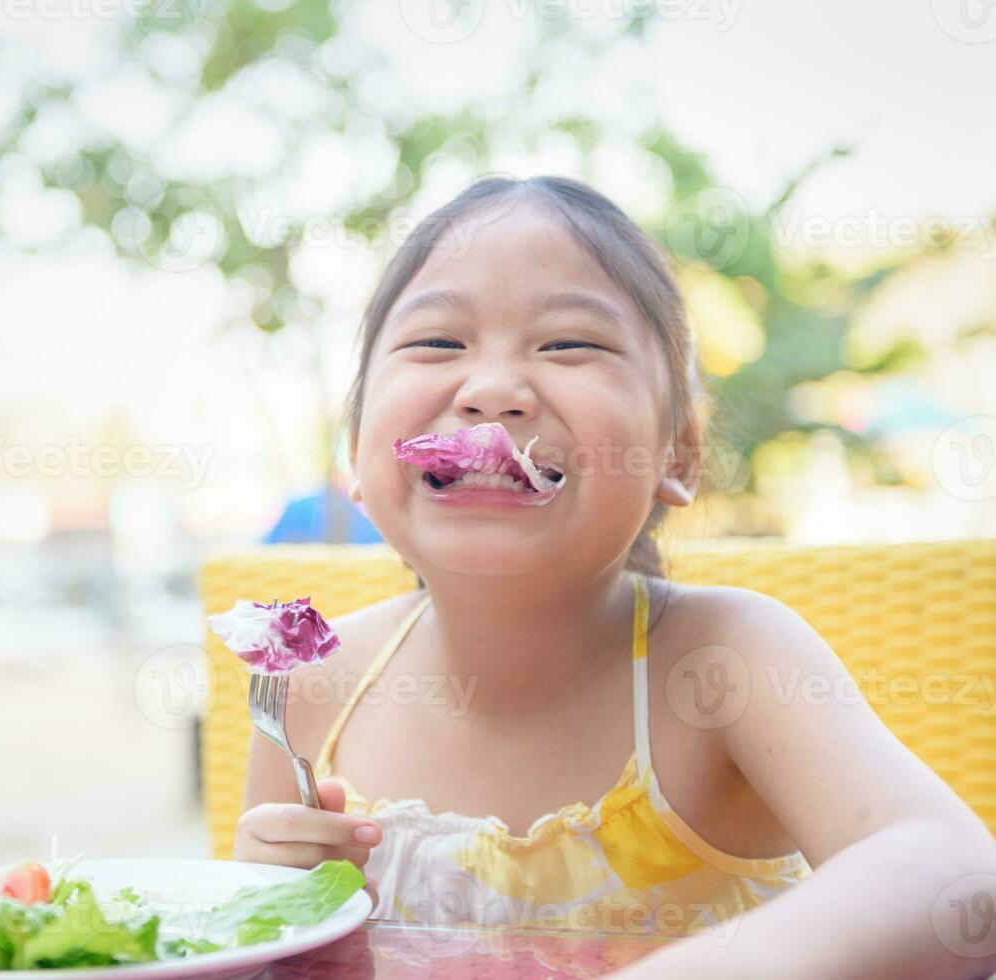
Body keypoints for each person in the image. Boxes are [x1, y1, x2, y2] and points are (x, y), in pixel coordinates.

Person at [234, 175, 996, 977]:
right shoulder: (310, 683)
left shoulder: (720, 662)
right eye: (438, 344)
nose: (491, 389)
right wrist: (262, 906)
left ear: (679, 453)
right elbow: (260, 940)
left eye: (569, 345)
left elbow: (958, 881)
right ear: (355, 448)